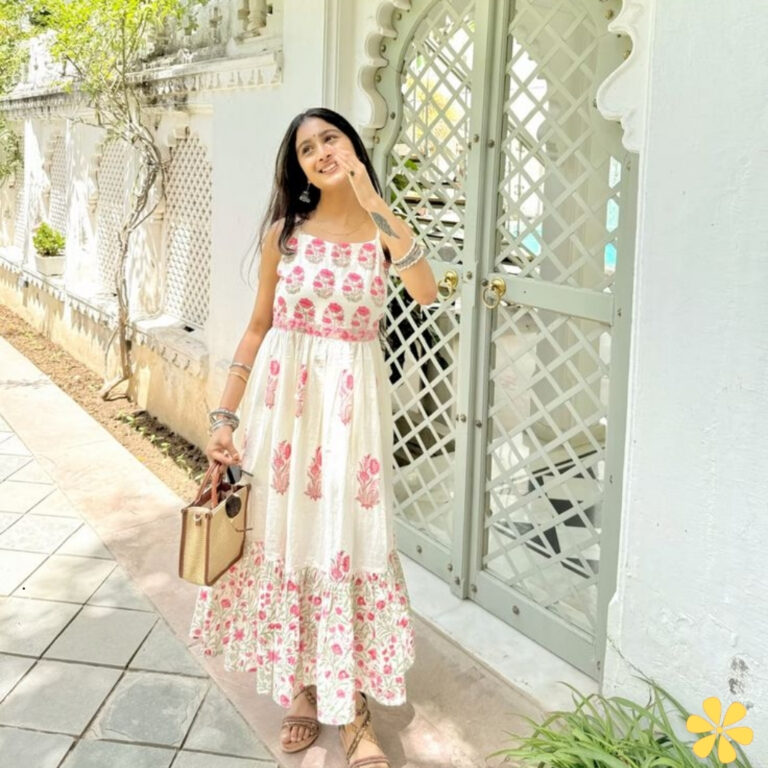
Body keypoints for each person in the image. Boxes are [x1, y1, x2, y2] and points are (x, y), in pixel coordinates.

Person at [188, 107, 438, 768]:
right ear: (296, 165)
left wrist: (371, 199)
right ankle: (302, 688)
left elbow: (427, 289)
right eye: (306, 147)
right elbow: (256, 326)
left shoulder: (382, 228)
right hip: (283, 413)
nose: (321, 151)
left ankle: (352, 708)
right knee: (291, 533)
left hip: (350, 420)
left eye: (331, 138)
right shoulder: (285, 234)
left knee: (346, 544)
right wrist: (224, 418)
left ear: (352, 146)